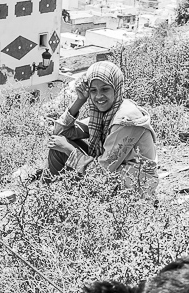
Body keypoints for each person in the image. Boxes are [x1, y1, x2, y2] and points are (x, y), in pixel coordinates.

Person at [46, 61, 158, 197]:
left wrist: (68, 149)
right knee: (58, 149)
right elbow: (60, 133)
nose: (98, 96)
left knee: (64, 148)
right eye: (93, 90)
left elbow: (102, 171)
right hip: (113, 174)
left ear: (116, 88)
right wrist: (80, 100)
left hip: (135, 186)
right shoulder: (103, 115)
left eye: (105, 89)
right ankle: (49, 197)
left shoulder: (124, 119)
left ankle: (63, 202)